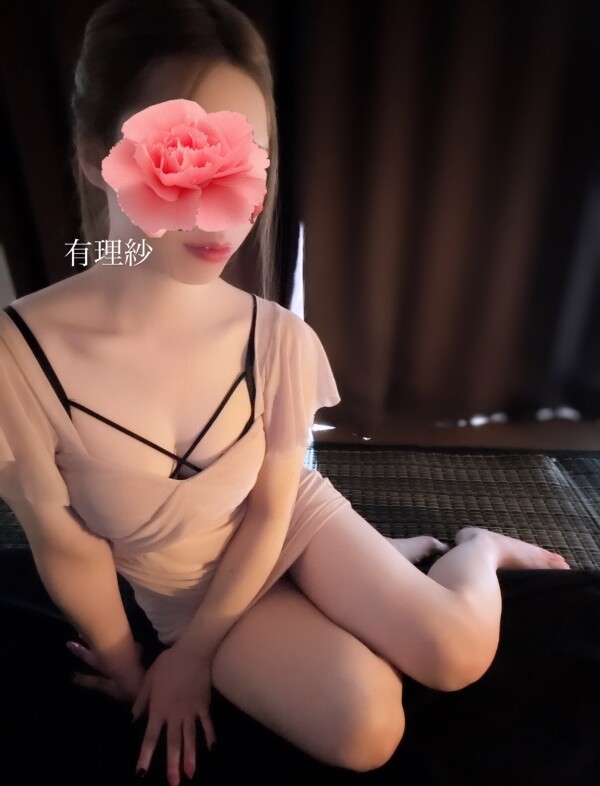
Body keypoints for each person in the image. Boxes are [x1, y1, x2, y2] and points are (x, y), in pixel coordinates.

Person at [0, 2, 594, 786]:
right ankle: (387, 560)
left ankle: (477, 545)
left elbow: (276, 503)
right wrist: (136, 664)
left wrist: (195, 660)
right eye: (183, 158)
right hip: (185, 585)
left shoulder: (275, 337)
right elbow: (63, 540)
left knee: (458, 653)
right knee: (368, 727)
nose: (221, 211)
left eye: (244, 160)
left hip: (287, 525)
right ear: (91, 155)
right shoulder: (19, 358)